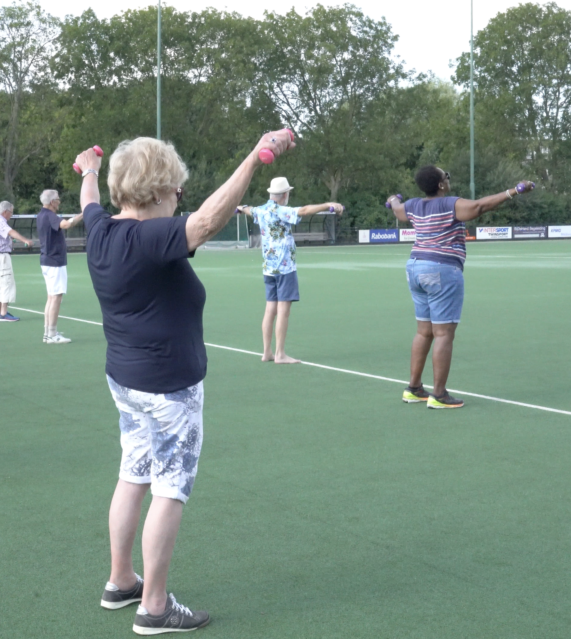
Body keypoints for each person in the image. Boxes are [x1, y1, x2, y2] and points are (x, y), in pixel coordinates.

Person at [76, 130, 294, 635]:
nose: (179, 198)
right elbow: (206, 222)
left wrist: (88, 169)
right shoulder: (150, 239)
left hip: (127, 382)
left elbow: (89, 200)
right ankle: (154, 607)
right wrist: (254, 157)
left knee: (133, 473)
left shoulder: (100, 230)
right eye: (175, 189)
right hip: (168, 388)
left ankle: (121, 581)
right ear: (155, 193)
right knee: (169, 488)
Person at [387, 166, 534, 409]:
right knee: (444, 333)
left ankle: (413, 389)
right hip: (441, 269)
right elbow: (479, 207)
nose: (448, 179)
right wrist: (514, 191)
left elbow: (397, 210)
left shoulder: (412, 205)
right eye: (447, 176)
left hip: (415, 267)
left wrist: (392, 199)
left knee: (424, 331)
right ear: (441, 185)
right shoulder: (449, 204)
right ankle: (440, 395)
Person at [237, 177, 342, 364]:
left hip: (268, 267)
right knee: (283, 311)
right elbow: (304, 210)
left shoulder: (261, 210)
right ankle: (280, 354)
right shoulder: (281, 210)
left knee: (270, 309)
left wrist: (239, 207)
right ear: (285, 194)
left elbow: (247, 209)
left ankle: (266, 352)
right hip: (285, 267)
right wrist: (328, 204)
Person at [36, 189, 84, 343]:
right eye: (57, 199)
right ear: (51, 202)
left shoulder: (42, 215)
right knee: (56, 298)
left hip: (47, 261)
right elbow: (66, 224)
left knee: (51, 297)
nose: (59, 201)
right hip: (54, 262)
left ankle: (48, 332)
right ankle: (52, 334)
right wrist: (84, 214)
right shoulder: (50, 215)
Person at [0, 201, 32, 322]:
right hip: (1, 256)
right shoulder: (0, 221)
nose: (11, 215)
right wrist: (25, 240)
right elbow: (10, 232)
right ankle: (3, 313)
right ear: (5, 212)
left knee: (1, 285)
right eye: (11, 212)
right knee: (7, 284)